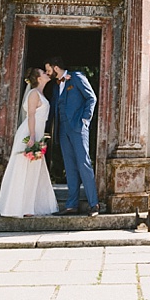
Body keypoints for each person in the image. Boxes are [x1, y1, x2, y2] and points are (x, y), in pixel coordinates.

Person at [0, 67, 58, 217]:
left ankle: (30, 206)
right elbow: (31, 116)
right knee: (23, 169)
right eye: (43, 73)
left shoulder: (41, 93)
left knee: (34, 170)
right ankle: (19, 207)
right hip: (29, 134)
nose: (46, 73)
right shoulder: (34, 94)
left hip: (37, 133)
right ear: (39, 78)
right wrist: (31, 137)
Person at [46, 55, 99, 216]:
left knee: (84, 164)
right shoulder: (56, 86)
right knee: (69, 167)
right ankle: (71, 205)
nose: (48, 73)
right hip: (63, 131)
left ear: (56, 68)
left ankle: (94, 204)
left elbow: (92, 98)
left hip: (78, 128)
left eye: (49, 70)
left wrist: (85, 120)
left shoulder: (77, 77)